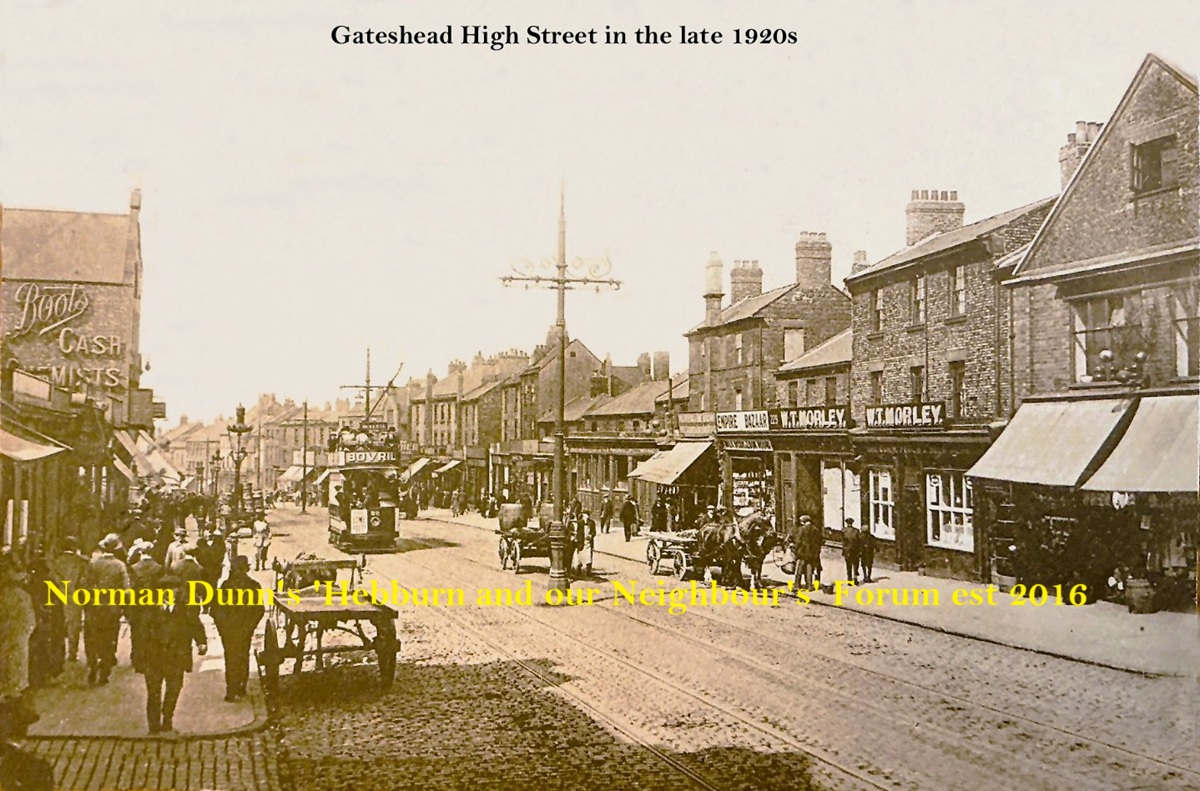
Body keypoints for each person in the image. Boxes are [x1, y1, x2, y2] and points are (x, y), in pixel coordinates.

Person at [133, 572, 207, 734]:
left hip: (176, 657)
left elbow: (195, 624)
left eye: (173, 589)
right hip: (154, 658)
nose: (169, 592)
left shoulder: (185, 608)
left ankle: (167, 718)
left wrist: (201, 642)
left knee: (174, 688)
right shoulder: (149, 609)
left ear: (178, 591)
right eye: (165, 589)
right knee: (153, 693)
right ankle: (153, 726)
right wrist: (139, 659)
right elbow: (140, 634)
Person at [211, 556, 264, 702]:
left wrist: (223, 628)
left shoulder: (225, 586)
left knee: (231, 658)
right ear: (246, 568)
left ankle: (231, 690)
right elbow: (259, 610)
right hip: (243, 630)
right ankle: (241, 686)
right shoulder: (254, 586)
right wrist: (250, 627)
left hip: (229, 630)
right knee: (242, 656)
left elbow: (215, 611)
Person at [82, 534, 129, 686]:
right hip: (112, 609)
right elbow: (126, 590)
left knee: (92, 637)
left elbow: (86, 585)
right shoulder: (120, 565)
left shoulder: (93, 564)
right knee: (109, 639)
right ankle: (104, 670)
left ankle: (92, 664)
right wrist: (124, 606)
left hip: (94, 607)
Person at [48, 537, 88, 663]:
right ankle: (72, 653)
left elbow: (52, 578)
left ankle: (58, 653)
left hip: (58, 595)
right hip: (74, 595)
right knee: (74, 625)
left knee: (58, 623)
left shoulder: (56, 562)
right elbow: (85, 580)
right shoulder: (81, 562)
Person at [842, 518, 862, 584]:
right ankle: (855, 577)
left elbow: (842, 541)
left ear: (847, 523)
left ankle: (849, 579)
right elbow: (859, 541)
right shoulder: (856, 531)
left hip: (847, 550)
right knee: (856, 564)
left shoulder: (844, 530)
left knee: (848, 565)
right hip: (855, 550)